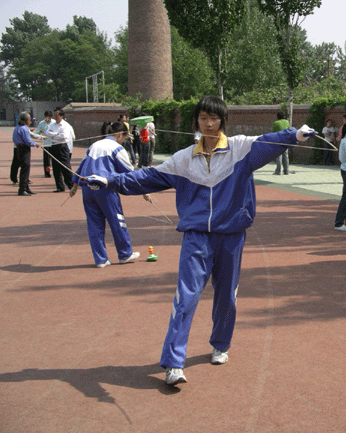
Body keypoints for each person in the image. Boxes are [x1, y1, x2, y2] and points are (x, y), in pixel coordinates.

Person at [82, 96, 316, 386]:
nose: (209, 123)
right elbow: (148, 176)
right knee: (186, 296)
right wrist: (111, 181)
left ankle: (220, 344)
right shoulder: (183, 159)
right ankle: (173, 363)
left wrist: (295, 134)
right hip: (196, 237)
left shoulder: (240, 149)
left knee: (226, 295)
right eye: (203, 118)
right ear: (196, 120)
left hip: (231, 235)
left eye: (214, 118)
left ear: (222, 121)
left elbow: (269, 141)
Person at [70, 121, 149, 268]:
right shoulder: (117, 148)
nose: (123, 140)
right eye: (124, 137)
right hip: (105, 187)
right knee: (117, 220)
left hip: (87, 189)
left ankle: (101, 259)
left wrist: (74, 187)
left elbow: (80, 168)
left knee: (94, 223)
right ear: (119, 134)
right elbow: (130, 173)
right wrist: (144, 191)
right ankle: (125, 253)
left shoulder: (94, 145)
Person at [45, 108, 75, 192]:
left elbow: (64, 136)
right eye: (54, 115)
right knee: (55, 168)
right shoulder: (52, 125)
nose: (55, 116)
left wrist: (53, 135)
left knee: (66, 167)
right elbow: (47, 133)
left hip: (62, 147)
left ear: (61, 115)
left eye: (57, 115)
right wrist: (56, 134)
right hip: (54, 146)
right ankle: (59, 187)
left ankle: (71, 185)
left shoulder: (65, 125)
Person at [12, 112, 40, 196]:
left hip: (19, 148)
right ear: (26, 120)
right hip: (24, 149)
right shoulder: (24, 128)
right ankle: (22, 189)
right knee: (25, 169)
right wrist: (36, 144)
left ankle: (26, 188)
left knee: (24, 168)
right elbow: (28, 141)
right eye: (29, 119)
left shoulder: (17, 127)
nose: (30, 121)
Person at [36, 111, 54, 178]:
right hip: (46, 144)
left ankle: (56, 173)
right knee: (46, 161)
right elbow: (37, 132)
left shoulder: (54, 122)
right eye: (46, 117)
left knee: (55, 160)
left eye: (49, 117)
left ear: (51, 117)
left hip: (54, 144)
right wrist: (40, 132)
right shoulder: (41, 123)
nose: (47, 119)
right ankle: (47, 173)